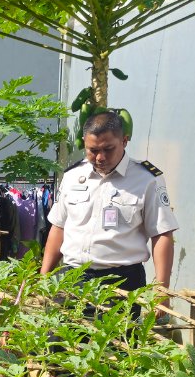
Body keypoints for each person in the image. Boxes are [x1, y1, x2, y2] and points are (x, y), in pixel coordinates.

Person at [40, 110, 178, 297]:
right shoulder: (73, 176)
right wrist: (44, 278)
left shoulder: (147, 179)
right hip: (71, 279)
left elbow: (162, 234)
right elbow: (59, 227)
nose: (100, 158)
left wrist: (162, 292)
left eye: (108, 149)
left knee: (118, 327)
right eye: (93, 150)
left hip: (121, 282)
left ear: (124, 141)